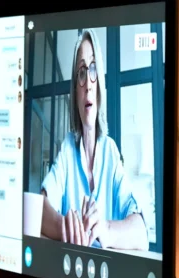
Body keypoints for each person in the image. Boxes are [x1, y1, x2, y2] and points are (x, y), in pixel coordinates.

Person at [39, 29, 148, 251]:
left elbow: (141, 234)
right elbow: (39, 208)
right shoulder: (68, 148)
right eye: (81, 72)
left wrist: (106, 229)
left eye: (93, 69)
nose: (88, 83)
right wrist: (67, 227)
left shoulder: (111, 151)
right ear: (75, 92)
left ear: (99, 88)